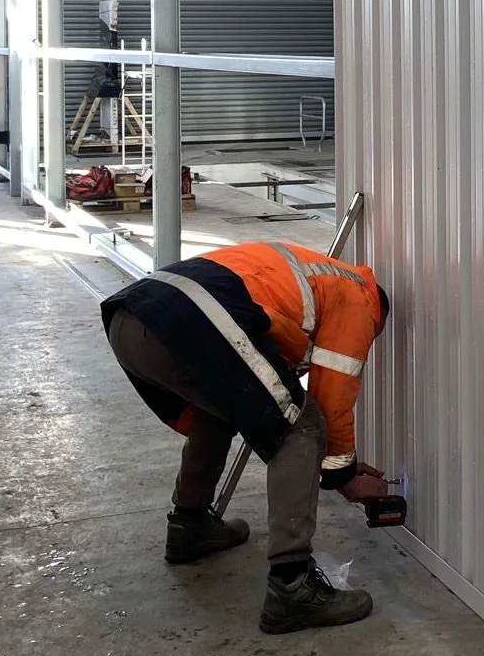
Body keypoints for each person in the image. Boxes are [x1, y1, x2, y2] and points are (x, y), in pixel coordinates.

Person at [100, 239, 394, 634]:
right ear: (379, 316)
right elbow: (333, 395)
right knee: (301, 426)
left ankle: (189, 526)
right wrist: (344, 474)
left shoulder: (307, 276)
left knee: (224, 406)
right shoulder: (358, 299)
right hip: (190, 320)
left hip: (132, 318)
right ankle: (292, 585)